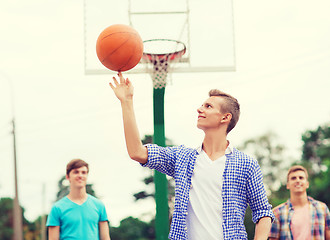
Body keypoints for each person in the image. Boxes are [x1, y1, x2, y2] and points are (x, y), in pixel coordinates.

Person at [110, 72, 274, 239]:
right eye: (202, 105)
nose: (199, 109)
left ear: (225, 117)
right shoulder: (182, 157)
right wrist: (127, 102)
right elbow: (137, 152)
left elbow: (263, 212)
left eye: (208, 106)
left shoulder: (246, 164)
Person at [46, 159, 110, 240]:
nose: (80, 175)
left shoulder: (99, 205)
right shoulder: (57, 208)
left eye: (84, 172)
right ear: (68, 177)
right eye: (76, 172)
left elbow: (105, 238)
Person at [269, 165, 330, 240]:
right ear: (288, 185)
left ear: (307, 184)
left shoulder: (322, 208)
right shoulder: (277, 213)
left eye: (301, 178)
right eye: (293, 178)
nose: (298, 180)